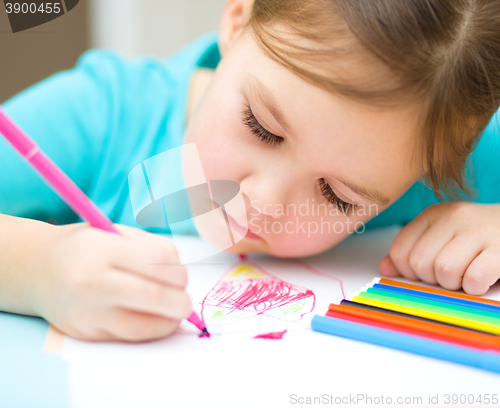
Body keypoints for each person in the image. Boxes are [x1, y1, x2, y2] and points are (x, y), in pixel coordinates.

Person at [1, 0, 500, 341]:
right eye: (261, 128)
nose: (264, 202)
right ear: (237, 20)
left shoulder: (460, 151)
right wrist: (37, 267)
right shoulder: (103, 115)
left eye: (338, 196)